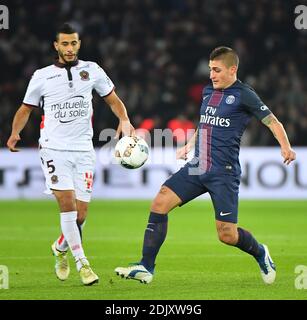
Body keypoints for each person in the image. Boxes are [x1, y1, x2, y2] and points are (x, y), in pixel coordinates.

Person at [115, 46, 296, 284]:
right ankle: (146, 267)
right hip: (198, 166)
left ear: (232, 70)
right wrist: (190, 144)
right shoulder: (208, 91)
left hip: (224, 173)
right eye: (210, 69)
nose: (211, 75)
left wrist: (285, 146)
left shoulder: (245, 94)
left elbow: (273, 122)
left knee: (227, 235)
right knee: (160, 202)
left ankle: (261, 252)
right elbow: (206, 123)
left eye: (217, 70)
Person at [7, 23, 134, 286]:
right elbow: (25, 109)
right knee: (67, 203)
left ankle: (61, 247)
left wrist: (124, 119)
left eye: (73, 43)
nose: (69, 48)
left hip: (84, 150)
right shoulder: (42, 76)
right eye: (64, 44)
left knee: (81, 215)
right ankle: (82, 264)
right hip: (54, 148)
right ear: (56, 46)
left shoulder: (92, 70)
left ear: (79, 44)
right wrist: (15, 132)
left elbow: (112, 98)